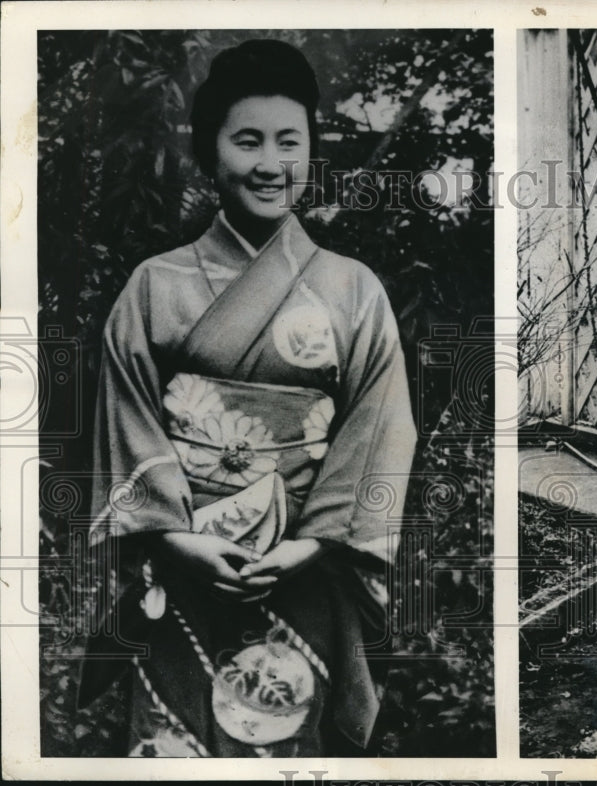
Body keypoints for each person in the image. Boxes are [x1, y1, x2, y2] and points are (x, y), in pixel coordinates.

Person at [78, 39, 417, 757]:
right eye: (248, 140)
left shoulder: (352, 289)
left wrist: (307, 545)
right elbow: (127, 416)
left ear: (310, 151)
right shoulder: (154, 286)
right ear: (211, 151)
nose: (270, 163)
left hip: (303, 570)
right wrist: (177, 538)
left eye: (288, 141)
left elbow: (377, 427)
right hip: (184, 564)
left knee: (288, 735)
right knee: (176, 744)